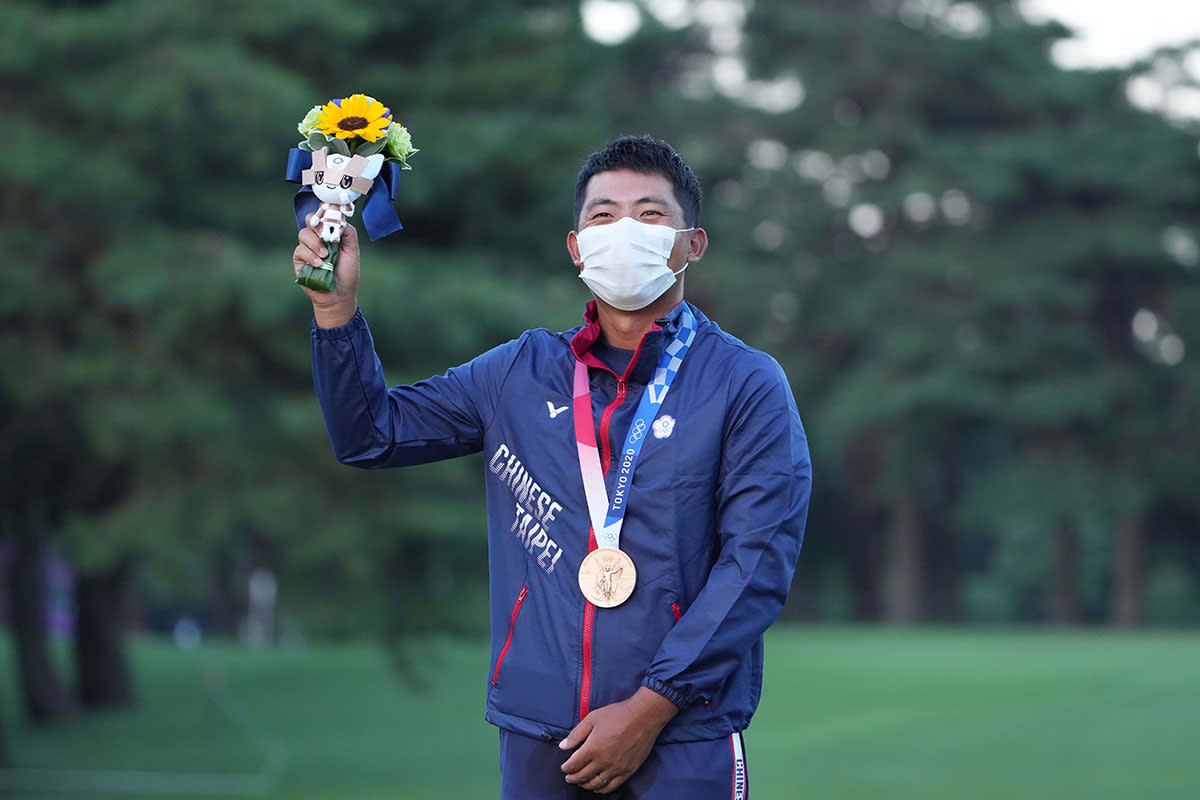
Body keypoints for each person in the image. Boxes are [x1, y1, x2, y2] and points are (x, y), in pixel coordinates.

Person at [292, 135, 811, 798]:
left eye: (650, 215)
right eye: (602, 216)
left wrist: (651, 708)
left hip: (685, 734)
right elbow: (372, 435)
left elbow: (757, 565)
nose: (624, 231)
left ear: (693, 244)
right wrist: (335, 313)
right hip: (541, 738)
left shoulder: (745, 383)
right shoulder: (519, 372)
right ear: (575, 248)